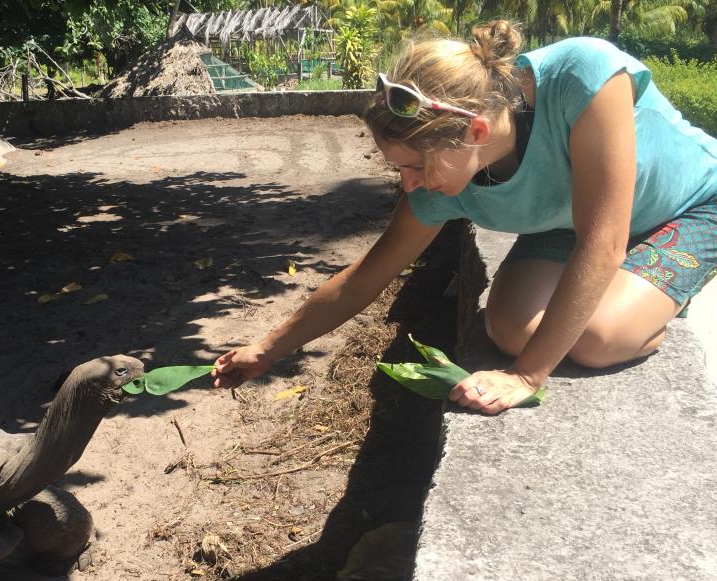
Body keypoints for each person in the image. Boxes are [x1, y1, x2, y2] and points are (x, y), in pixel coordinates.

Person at [211, 20, 717, 414]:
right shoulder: (444, 183)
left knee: (601, 340)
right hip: (570, 226)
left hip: (691, 205)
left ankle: (657, 302)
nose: (409, 185)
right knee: (509, 328)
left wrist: (525, 377)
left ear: (474, 132)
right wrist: (268, 348)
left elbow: (603, 242)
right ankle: (636, 288)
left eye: (415, 167)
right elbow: (365, 279)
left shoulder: (580, 74)